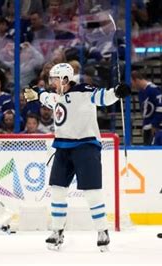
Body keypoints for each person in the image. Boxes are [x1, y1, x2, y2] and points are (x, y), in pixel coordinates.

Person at [23, 63, 130, 251]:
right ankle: (57, 231)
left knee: (92, 192)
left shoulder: (84, 90)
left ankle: (102, 230)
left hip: (86, 146)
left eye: (55, 79)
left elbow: (103, 97)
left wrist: (117, 91)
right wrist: (37, 93)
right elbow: (46, 97)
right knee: (57, 190)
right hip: (62, 147)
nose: (52, 83)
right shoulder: (57, 96)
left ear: (65, 78)